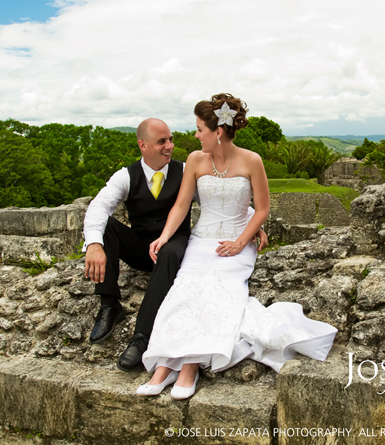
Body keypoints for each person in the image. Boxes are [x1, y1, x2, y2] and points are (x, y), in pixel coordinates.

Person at [137, 94, 337, 400]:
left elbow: (262, 209)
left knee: (217, 291)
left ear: (217, 132)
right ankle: (164, 365)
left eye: (199, 129)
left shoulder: (251, 160)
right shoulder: (195, 159)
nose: (194, 135)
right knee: (184, 289)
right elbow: (180, 206)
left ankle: (189, 365)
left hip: (236, 244)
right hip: (202, 241)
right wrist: (164, 237)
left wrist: (241, 241)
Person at [82, 118, 268, 372]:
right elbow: (99, 206)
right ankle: (108, 304)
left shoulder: (185, 170)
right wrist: (93, 244)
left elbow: (221, 199)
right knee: (105, 226)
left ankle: (141, 338)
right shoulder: (126, 176)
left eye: (170, 139)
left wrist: (252, 223)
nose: (170, 146)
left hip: (175, 246)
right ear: (143, 145)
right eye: (162, 142)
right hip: (141, 246)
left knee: (169, 252)